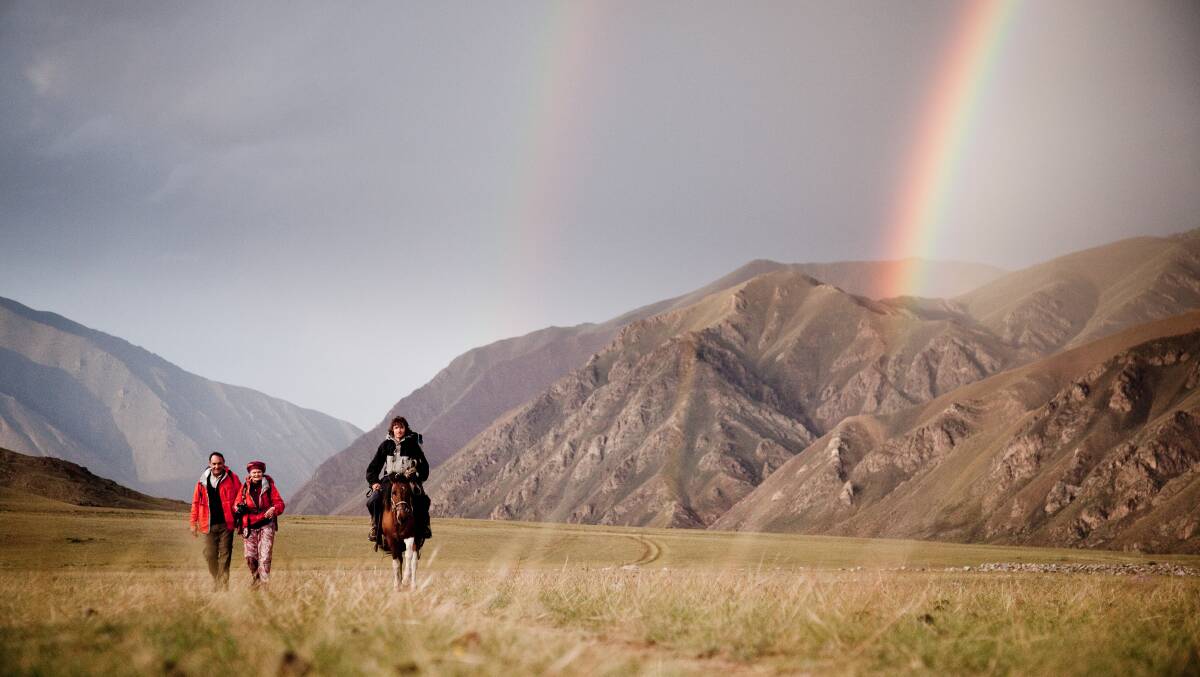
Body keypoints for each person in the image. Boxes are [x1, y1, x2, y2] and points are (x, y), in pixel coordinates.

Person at [366, 416, 431, 543]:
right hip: (388, 480)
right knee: (373, 500)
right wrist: (374, 483)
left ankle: (424, 527)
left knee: (423, 500)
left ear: (405, 429)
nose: (399, 430)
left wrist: (416, 475)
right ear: (392, 430)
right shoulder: (385, 445)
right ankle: (375, 527)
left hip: (408, 480)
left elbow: (424, 467)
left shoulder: (413, 445)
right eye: (396, 428)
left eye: (401, 427)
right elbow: (373, 467)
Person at [189, 452, 242, 591]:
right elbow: (195, 502)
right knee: (209, 554)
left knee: (225, 556)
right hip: (208, 525)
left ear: (224, 463)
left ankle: (223, 587)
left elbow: (241, 496)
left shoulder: (232, 478)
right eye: (214, 464)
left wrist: (240, 516)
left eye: (219, 463)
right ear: (209, 464)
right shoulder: (202, 481)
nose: (217, 466)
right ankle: (217, 580)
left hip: (227, 524)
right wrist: (193, 523)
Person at [234, 460, 285, 589]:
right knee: (250, 557)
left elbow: (280, 504)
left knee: (265, 557)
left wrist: (274, 509)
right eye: (254, 472)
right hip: (249, 526)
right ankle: (256, 579)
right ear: (250, 474)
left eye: (259, 472)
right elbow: (236, 504)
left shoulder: (269, 486)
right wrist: (239, 508)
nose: (257, 474)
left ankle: (265, 585)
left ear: (263, 473)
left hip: (266, 524)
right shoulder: (244, 487)